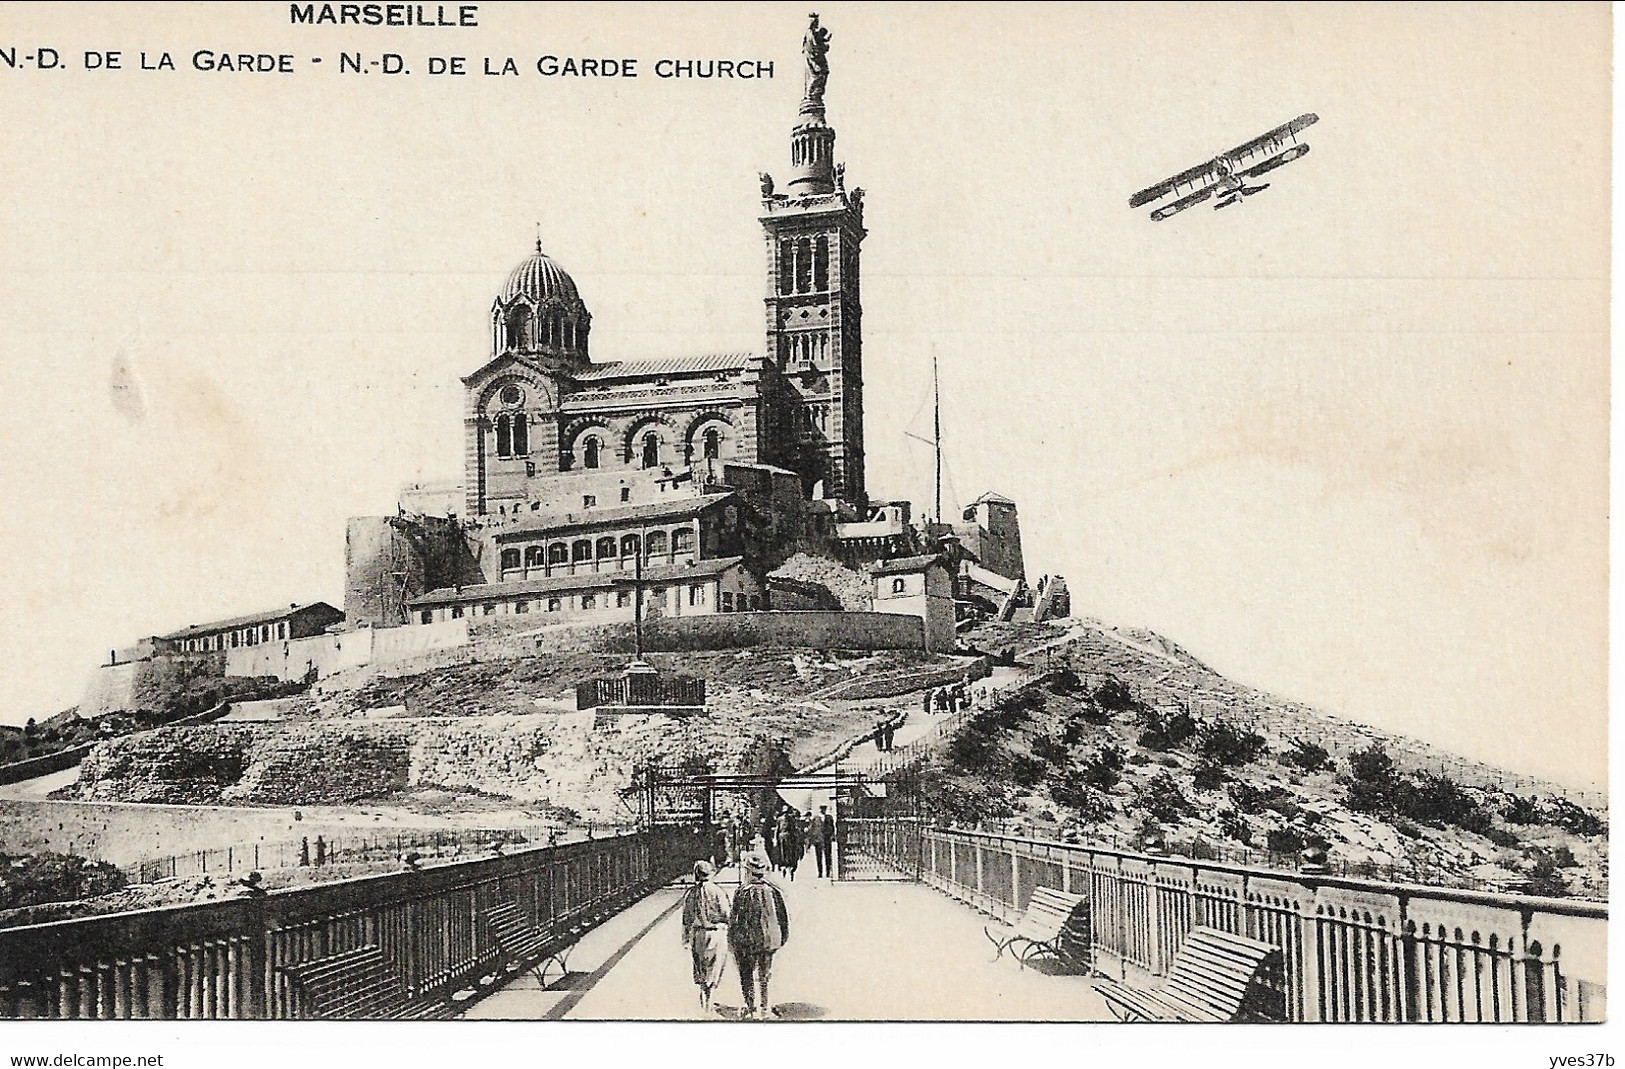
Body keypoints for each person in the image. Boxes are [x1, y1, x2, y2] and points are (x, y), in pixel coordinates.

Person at [727, 851, 789, 1020]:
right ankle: (764, 1007)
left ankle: (751, 1007)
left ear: (748, 872)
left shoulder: (742, 892)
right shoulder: (773, 892)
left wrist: (732, 941)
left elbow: (734, 919)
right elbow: (783, 917)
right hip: (769, 940)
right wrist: (782, 938)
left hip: (747, 941)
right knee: (765, 974)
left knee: (746, 973)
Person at [681, 860, 732, 1016]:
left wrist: (685, 939)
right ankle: (709, 1004)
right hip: (715, 934)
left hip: (698, 935)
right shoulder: (718, 892)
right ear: (711, 874)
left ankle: (704, 1004)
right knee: (713, 970)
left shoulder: (691, 893)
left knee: (701, 970)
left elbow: (686, 918)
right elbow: (727, 915)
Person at [809, 804, 836, 878]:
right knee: (819, 857)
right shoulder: (815, 818)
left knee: (828, 857)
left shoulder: (829, 818)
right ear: (819, 810)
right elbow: (812, 829)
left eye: (824, 809)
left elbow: (832, 828)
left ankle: (828, 872)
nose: (823, 810)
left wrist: (832, 836)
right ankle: (820, 872)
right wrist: (812, 840)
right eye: (821, 809)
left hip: (827, 840)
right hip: (818, 840)